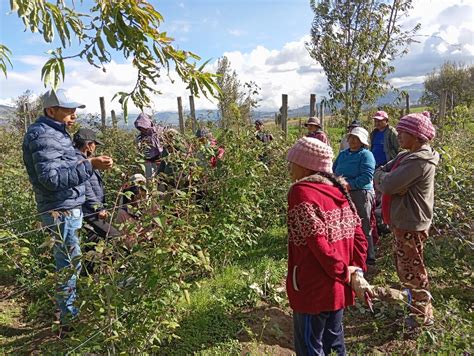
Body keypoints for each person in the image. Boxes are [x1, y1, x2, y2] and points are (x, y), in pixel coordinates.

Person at [22, 89, 113, 328]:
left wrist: (87, 163)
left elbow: (63, 168)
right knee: (69, 265)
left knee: (72, 262)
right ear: (51, 111)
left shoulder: (56, 134)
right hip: (60, 210)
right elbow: (51, 179)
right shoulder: (45, 136)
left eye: (74, 110)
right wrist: (91, 165)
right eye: (68, 110)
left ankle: (68, 312)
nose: (73, 115)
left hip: (67, 206)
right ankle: (68, 321)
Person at [286, 137, 367, 355]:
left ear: (305, 165)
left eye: (292, 162)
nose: (290, 167)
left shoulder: (301, 192)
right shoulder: (339, 190)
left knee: (310, 347)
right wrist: (354, 270)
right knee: (334, 345)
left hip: (312, 288)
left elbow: (317, 241)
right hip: (338, 288)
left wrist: (342, 271)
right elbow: (359, 236)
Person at [374, 113, 439, 327]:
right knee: (406, 268)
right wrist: (386, 181)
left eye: (403, 132)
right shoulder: (405, 157)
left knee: (412, 270)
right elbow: (382, 174)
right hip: (404, 220)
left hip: (411, 222)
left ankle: (421, 316)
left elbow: (389, 184)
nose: (399, 135)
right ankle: (417, 308)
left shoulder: (417, 162)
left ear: (416, 135)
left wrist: (387, 182)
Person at [333, 127, 377, 265]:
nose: (352, 141)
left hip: (360, 193)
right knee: (344, 224)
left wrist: (349, 184)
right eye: (351, 138)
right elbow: (334, 170)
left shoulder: (366, 155)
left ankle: (369, 256)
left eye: (356, 138)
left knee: (363, 224)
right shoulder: (343, 154)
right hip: (342, 192)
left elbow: (367, 176)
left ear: (362, 141)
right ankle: (350, 254)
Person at [73, 128, 120, 252]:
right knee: (115, 236)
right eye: (94, 145)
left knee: (92, 243)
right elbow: (85, 188)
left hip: (89, 211)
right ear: (88, 145)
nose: (95, 148)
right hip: (89, 212)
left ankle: (91, 269)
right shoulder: (80, 161)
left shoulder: (85, 159)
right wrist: (98, 208)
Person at [134, 113, 164, 179]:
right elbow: (139, 153)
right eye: (140, 128)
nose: (143, 129)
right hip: (148, 164)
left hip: (161, 161)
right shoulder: (140, 138)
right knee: (150, 180)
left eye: (143, 126)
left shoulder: (159, 132)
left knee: (162, 180)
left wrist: (162, 160)